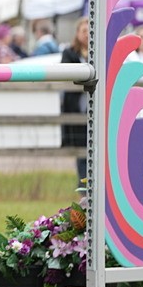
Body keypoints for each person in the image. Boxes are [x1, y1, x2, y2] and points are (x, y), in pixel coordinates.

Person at [60, 20, 90, 184]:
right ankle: (83, 186)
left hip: (93, 105)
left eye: (90, 31)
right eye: (84, 30)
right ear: (77, 33)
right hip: (76, 106)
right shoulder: (69, 53)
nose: (86, 34)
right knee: (80, 149)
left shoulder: (99, 52)